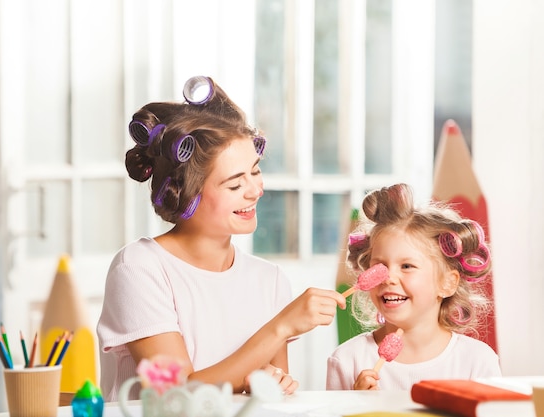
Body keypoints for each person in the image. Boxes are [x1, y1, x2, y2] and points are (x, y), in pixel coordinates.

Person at [97, 76, 347, 401]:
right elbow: (174, 395)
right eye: (234, 184)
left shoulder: (269, 281)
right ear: (186, 195)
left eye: (255, 172)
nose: (256, 190)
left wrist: (269, 382)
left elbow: (274, 396)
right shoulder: (139, 269)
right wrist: (282, 326)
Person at [326, 183, 501, 390]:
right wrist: (356, 404)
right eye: (380, 266)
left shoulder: (477, 361)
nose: (388, 278)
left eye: (407, 266)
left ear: (447, 283)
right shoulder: (348, 360)